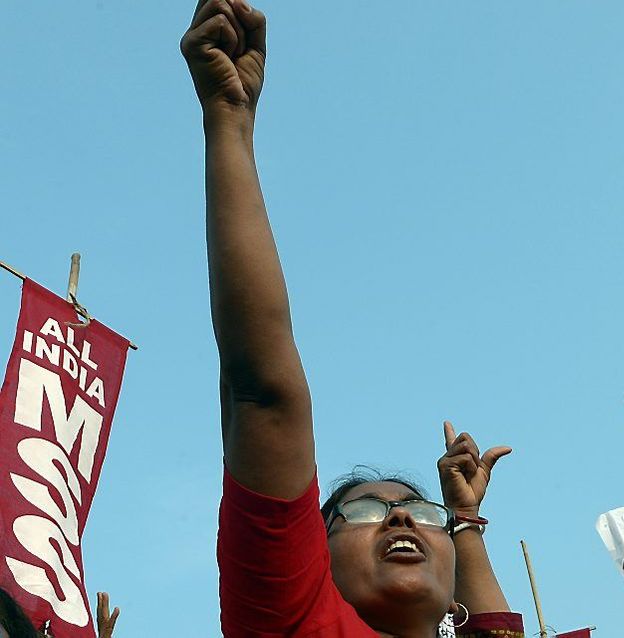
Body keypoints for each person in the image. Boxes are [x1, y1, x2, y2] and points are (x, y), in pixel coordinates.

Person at [180, 1, 525, 636]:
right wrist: (228, 120)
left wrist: (463, 519)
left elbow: (492, 625)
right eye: (362, 511)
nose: (400, 520)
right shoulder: (297, 620)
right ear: (312, 560)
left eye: (418, 512)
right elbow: (265, 393)